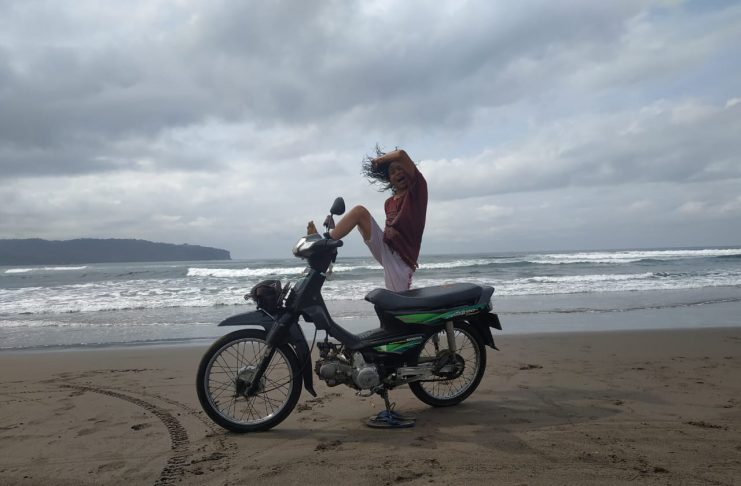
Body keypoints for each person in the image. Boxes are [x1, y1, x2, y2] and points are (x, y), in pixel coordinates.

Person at [308, 148, 427, 292]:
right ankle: (325, 243)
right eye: (393, 172)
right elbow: (391, 231)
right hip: (387, 247)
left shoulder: (417, 190)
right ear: (389, 180)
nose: (398, 173)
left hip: (401, 260)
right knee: (359, 212)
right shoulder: (389, 203)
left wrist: (379, 160)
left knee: (399, 299)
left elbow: (401, 154)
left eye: (400, 169)